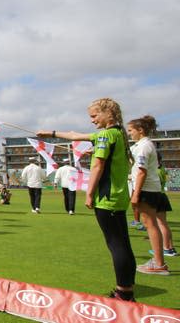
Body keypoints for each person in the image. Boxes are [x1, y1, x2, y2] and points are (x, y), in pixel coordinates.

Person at [37, 97, 136, 302]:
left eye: (94, 115)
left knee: (116, 244)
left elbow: (98, 165)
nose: (92, 120)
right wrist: (51, 134)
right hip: (118, 197)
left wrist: (89, 193)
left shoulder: (104, 135)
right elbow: (75, 136)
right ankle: (127, 289)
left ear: (108, 113)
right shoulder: (117, 133)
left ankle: (123, 292)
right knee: (123, 243)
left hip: (106, 198)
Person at [127, 115, 169, 275]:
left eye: (131, 130)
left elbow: (142, 172)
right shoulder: (141, 145)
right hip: (149, 188)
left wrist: (136, 193)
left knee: (150, 225)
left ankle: (159, 263)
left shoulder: (144, 146)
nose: (129, 133)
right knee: (152, 224)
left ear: (140, 130)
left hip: (146, 189)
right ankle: (158, 262)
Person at [150, 152, 178, 257]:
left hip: (157, 196)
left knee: (161, 224)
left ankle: (166, 248)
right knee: (164, 224)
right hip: (162, 195)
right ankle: (170, 248)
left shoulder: (155, 171)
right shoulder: (162, 169)